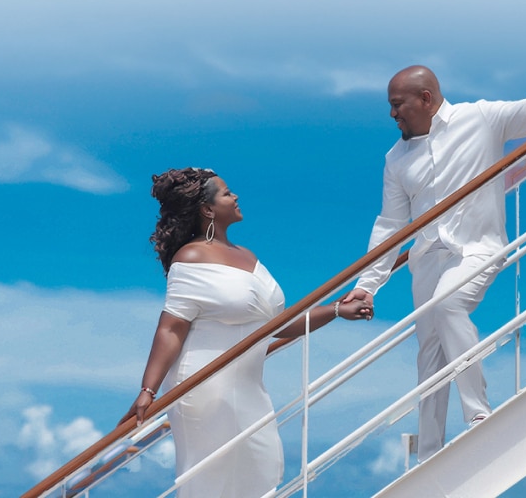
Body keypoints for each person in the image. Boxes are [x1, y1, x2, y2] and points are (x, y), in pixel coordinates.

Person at [342, 64, 526, 462]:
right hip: (426, 260)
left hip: (479, 249)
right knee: (430, 357)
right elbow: (390, 224)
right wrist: (368, 284)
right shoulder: (395, 158)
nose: (392, 114)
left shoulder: (479, 119)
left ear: (425, 99)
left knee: (448, 304)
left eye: (397, 104)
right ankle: (429, 454)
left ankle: (479, 416)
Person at [121, 167, 372, 498]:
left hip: (249, 386)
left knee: (261, 472)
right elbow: (171, 328)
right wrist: (148, 391)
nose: (235, 196)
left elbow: (277, 324)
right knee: (213, 482)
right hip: (204, 385)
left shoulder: (247, 256)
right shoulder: (191, 257)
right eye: (226, 193)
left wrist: (337, 310)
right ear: (207, 209)